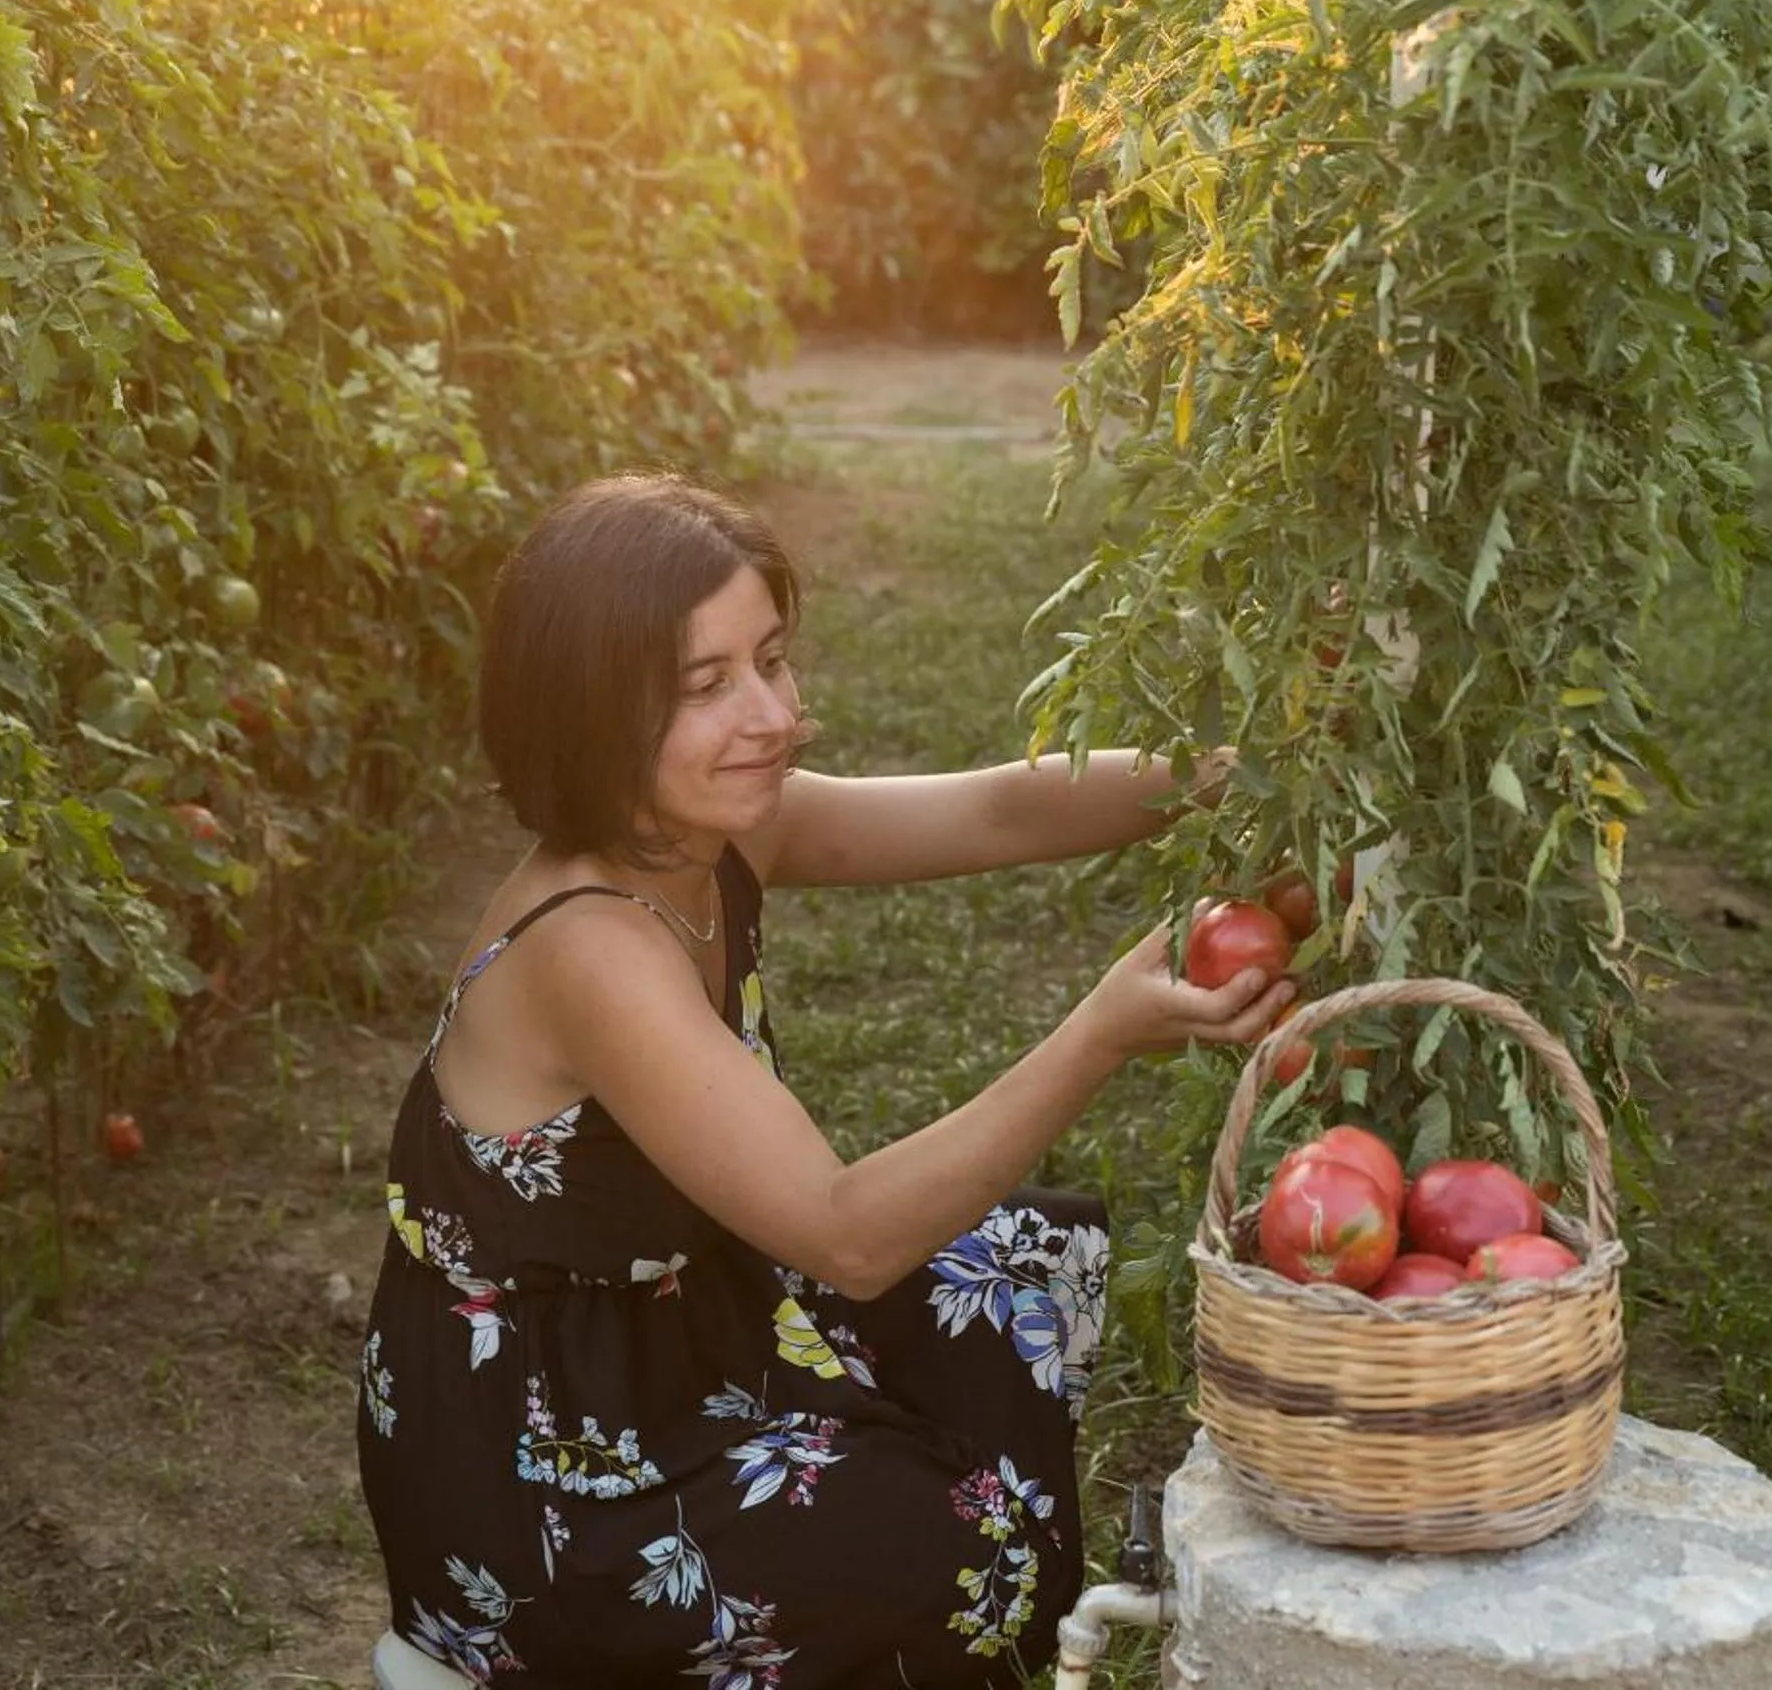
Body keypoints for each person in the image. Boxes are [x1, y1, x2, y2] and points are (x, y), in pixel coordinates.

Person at [355, 472, 1295, 1688]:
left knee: (1016, 1271)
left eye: (772, 661)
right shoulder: (590, 945)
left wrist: (1239, 775)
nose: (771, 714)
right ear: (586, 714)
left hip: (677, 1324)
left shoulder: (711, 831)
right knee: (961, 1551)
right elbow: (849, 1237)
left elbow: (1002, 810)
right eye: (706, 686)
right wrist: (1100, 1034)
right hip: (541, 1459)